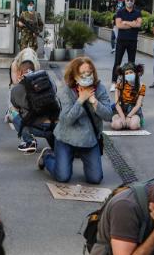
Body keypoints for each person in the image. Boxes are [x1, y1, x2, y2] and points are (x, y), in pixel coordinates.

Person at [37, 56, 114, 184]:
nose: (86, 76)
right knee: (63, 177)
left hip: (89, 140)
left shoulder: (99, 89)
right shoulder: (66, 91)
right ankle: (47, 157)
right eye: (82, 73)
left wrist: (94, 102)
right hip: (66, 138)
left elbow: (108, 116)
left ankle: (75, 161)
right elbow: (66, 120)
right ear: (75, 76)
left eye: (89, 73)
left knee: (95, 178)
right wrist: (81, 100)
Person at [9, 60, 58, 153]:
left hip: (36, 124)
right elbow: (55, 92)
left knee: (13, 114)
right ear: (34, 70)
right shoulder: (47, 81)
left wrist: (19, 85)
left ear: (19, 72)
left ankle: (29, 141)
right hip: (53, 122)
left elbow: (15, 106)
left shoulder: (16, 89)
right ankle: (54, 141)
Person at [110, 62, 145, 131]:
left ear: (135, 73)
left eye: (131, 72)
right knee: (116, 125)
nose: (129, 74)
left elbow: (138, 105)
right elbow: (117, 103)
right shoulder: (119, 84)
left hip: (134, 111)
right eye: (126, 73)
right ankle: (119, 120)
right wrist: (123, 117)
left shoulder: (141, 86)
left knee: (133, 126)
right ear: (123, 75)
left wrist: (129, 116)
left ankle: (137, 120)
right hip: (120, 110)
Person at [113, 0, 142, 73]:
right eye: (128, 0)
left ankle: (130, 83)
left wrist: (125, 22)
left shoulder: (137, 13)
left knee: (131, 64)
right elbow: (119, 25)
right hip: (121, 41)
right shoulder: (120, 12)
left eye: (131, 1)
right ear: (125, 1)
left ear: (134, 1)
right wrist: (132, 24)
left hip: (132, 41)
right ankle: (114, 82)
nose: (129, 2)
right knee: (117, 62)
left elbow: (139, 24)